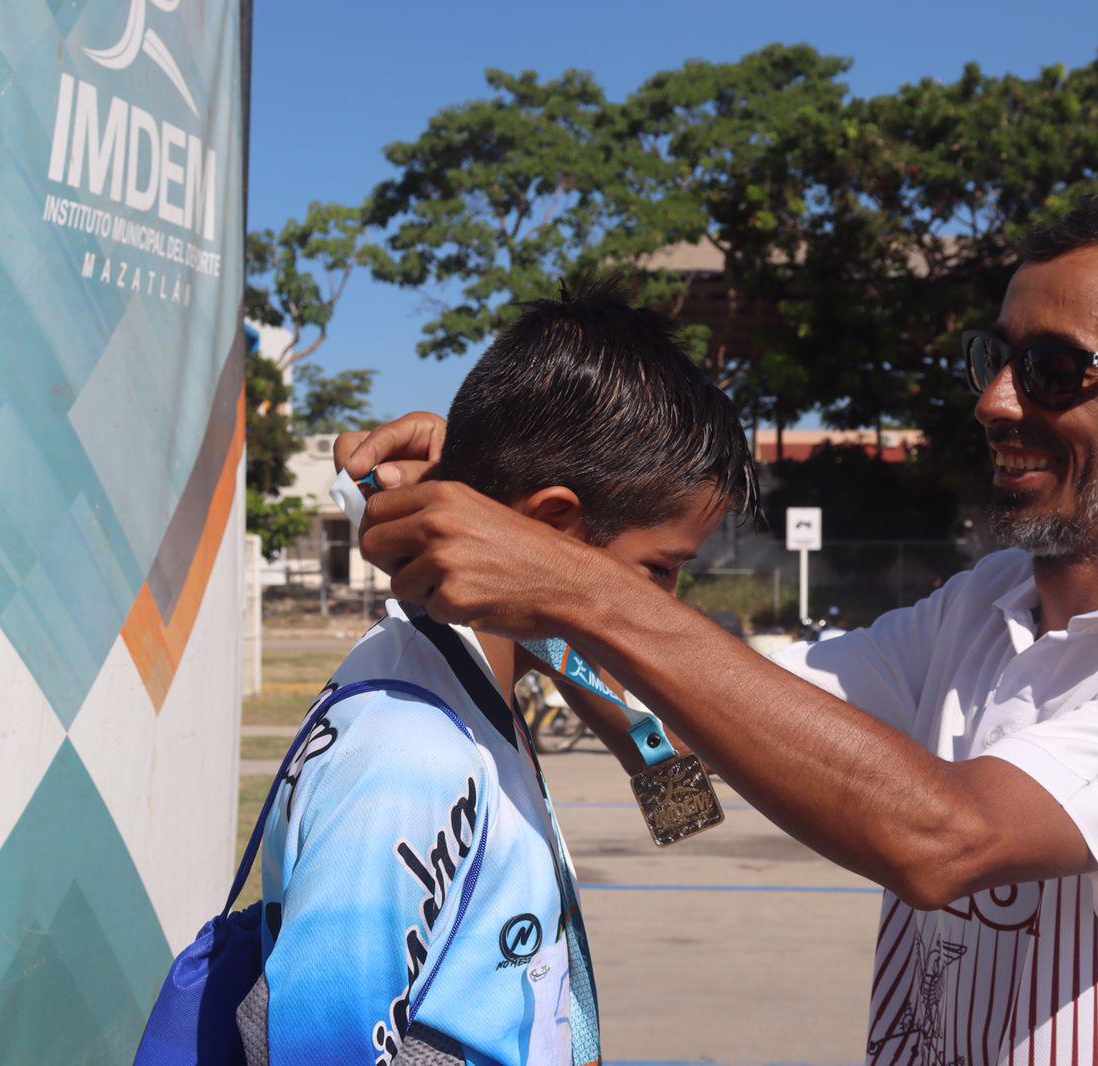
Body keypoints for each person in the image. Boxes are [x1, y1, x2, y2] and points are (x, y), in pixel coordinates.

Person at [339, 200, 1098, 1065]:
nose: (993, 401)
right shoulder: (979, 612)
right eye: (994, 358)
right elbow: (685, 739)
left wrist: (577, 581)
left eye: (1049, 369)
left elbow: (940, 838)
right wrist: (507, 507)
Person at [242, 277, 758, 1065]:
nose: (671, 610)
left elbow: (684, 806)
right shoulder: (410, 754)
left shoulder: (485, 688)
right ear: (553, 523)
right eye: (661, 570)